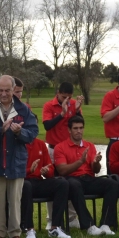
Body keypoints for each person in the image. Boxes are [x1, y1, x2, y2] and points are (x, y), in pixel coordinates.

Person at [0, 75, 38, 238]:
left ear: (13, 89)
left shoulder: (23, 109)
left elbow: (32, 133)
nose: (4, 94)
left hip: (16, 161)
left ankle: (15, 233)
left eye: (7, 90)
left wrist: (19, 132)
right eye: (0, 90)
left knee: (15, 200)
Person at [54, 116, 119, 236]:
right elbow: (62, 170)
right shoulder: (60, 147)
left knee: (112, 184)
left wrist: (96, 163)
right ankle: (89, 226)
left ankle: (105, 224)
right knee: (74, 184)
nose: (79, 131)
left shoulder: (90, 146)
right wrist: (80, 161)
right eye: (75, 128)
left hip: (88, 178)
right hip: (71, 179)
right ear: (69, 130)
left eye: (81, 128)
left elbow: (96, 170)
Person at [41, 81, 83, 229]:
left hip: (69, 149)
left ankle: (71, 218)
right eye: (64, 96)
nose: (66, 100)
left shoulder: (73, 104)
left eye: (69, 97)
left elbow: (78, 124)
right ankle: (51, 219)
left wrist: (77, 110)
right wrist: (62, 114)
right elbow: (47, 125)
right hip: (53, 149)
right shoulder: (49, 105)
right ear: (58, 93)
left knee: (71, 181)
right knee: (53, 183)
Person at [20, 136, 70, 238]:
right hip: (22, 182)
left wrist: (47, 171)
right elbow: (14, 170)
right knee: (26, 186)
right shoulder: (17, 143)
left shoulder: (41, 144)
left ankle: (55, 227)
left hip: (38, 181)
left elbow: (50, 167)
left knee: (62, 183)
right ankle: (29, 229)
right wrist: (30, 170)